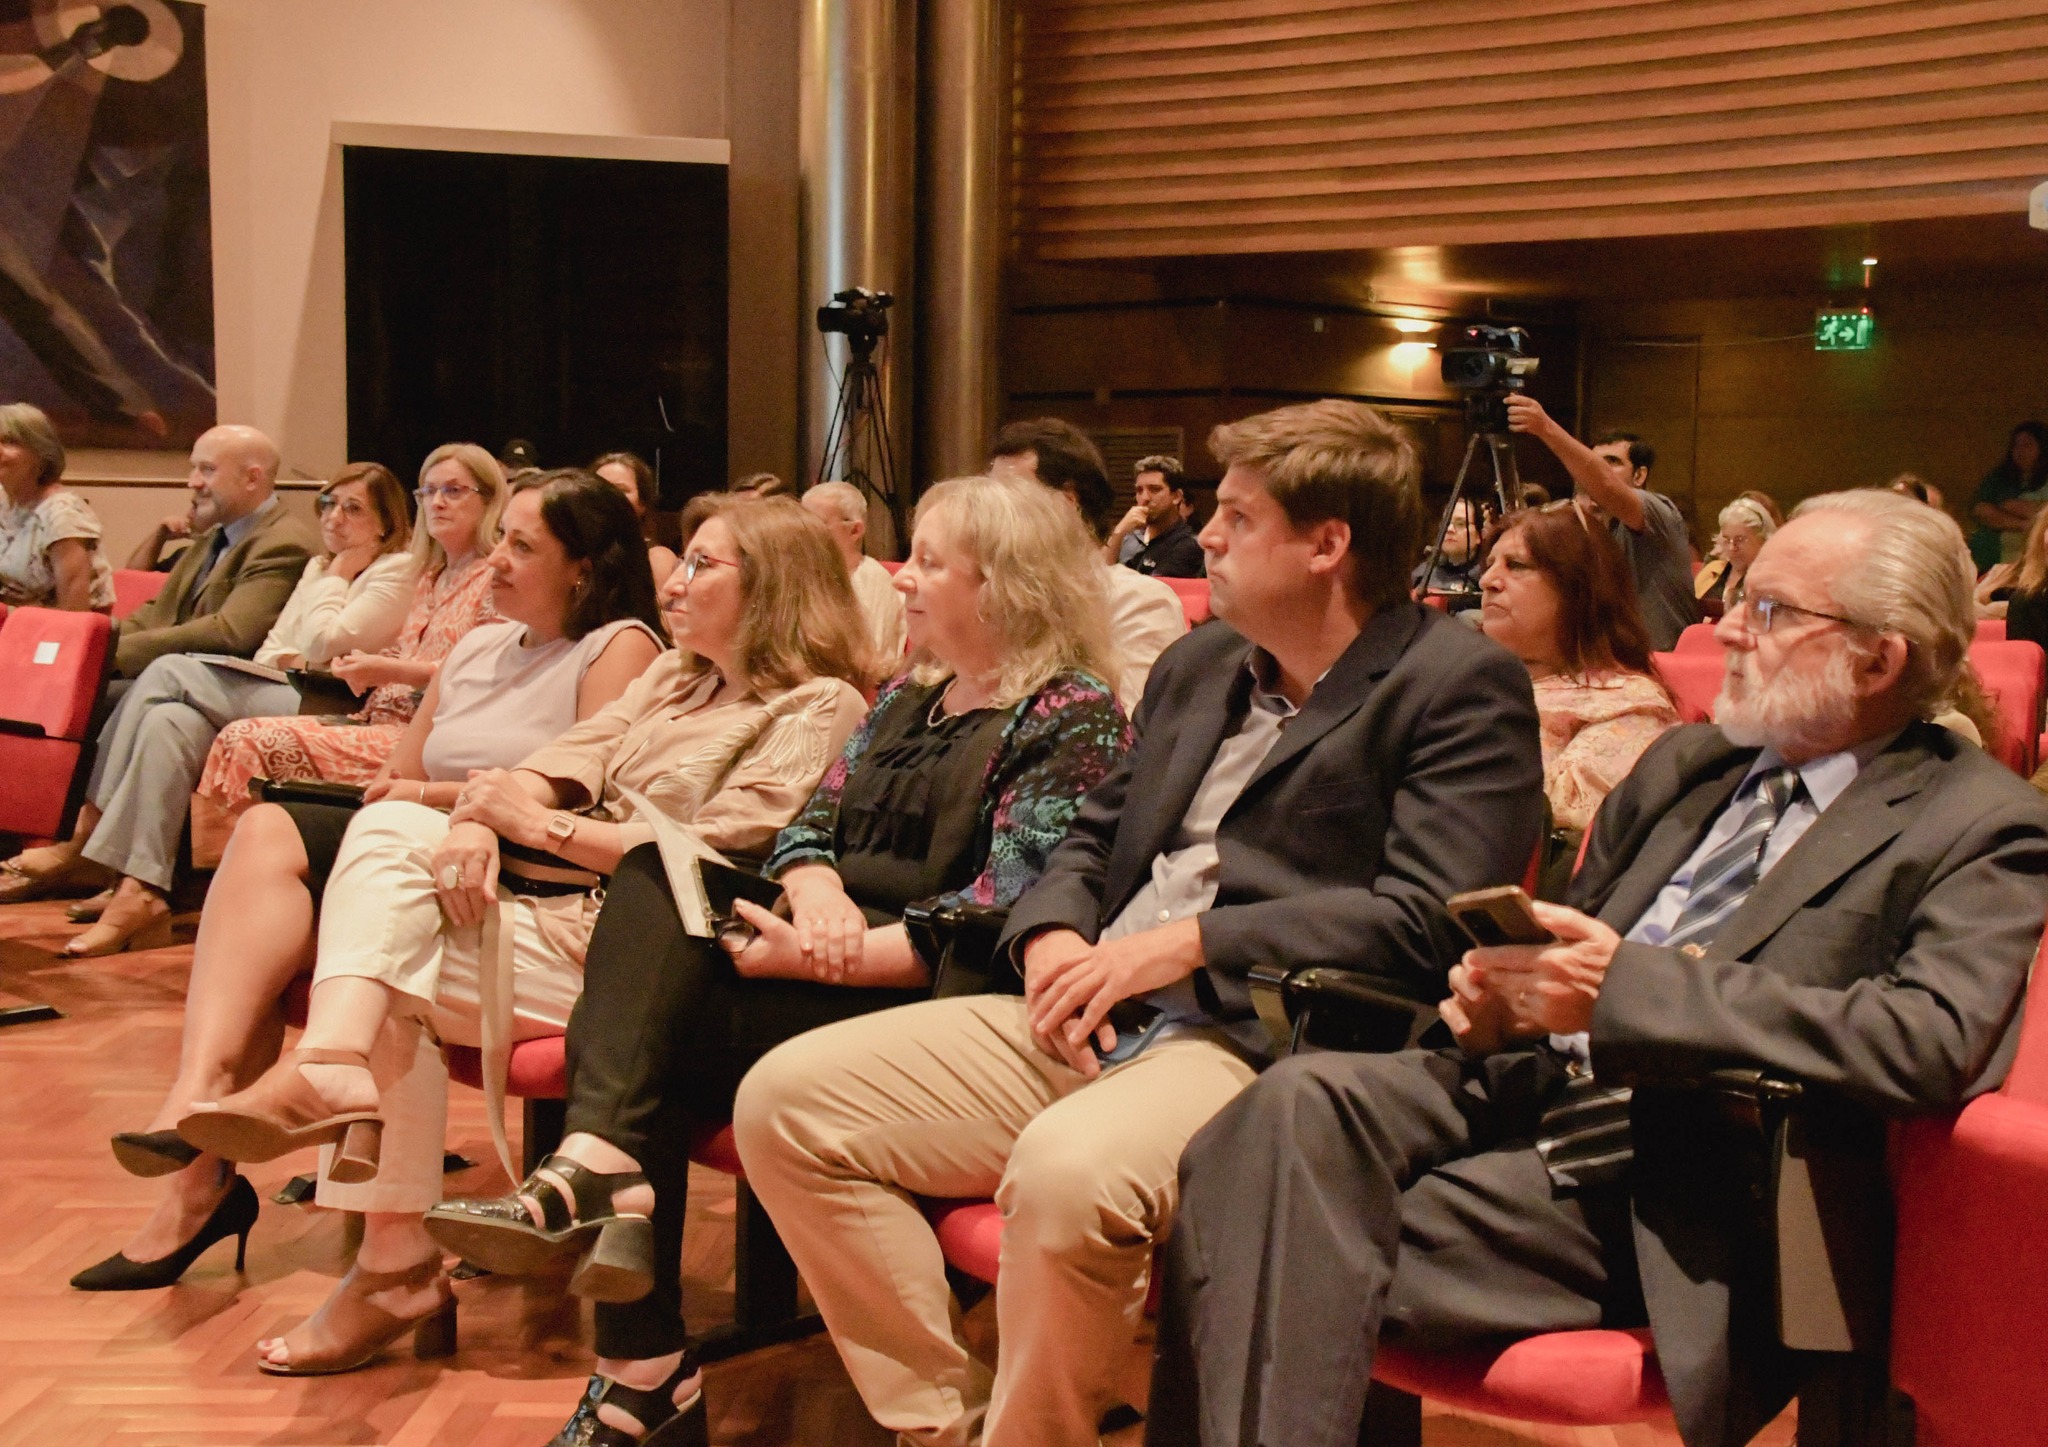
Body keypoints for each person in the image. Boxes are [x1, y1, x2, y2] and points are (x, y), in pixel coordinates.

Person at [1147, 490, 2048, 1447]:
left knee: (1249, 1227)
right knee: (1283, 1110)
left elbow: (1930, 1038)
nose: (1725, 626)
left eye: (1771, 611)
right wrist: (1513, 992)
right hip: (1518, 1094)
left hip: (1675, 1173)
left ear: (1880, 657)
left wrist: (1625, 994)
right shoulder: (1689, 768)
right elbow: (1575, 947)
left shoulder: (1977, 823)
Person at [734, 399, 1546, 1447]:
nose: (1203, 534)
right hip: (1094, 997)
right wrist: (1052, 936)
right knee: (785, 1104)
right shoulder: (1200, 666)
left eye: (1237, 517)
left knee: (1067, 1177)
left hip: (1258, 1036)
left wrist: (1193, 940)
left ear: (1326, 545)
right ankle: (948, 1421)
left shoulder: (1454, 685)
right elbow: (1090, 837)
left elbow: (1425, 921)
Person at [424, 475, 1130, 1447]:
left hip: (932, 998)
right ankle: (625, 1299)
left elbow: (1002, 907)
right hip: (820, 952)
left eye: (928, 561)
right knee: (651, 885)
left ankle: (639, 1358)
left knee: (634, 1050)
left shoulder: (1071, 714)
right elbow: (806, 830)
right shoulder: (907, 700)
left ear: (1006, 583)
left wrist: (832, 957)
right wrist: (817, 892)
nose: (901, 579)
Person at [169, 495, 872, 1380]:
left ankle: (381, 1235)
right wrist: (481, 819)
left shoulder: (820, 703)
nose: (675, 580)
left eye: (701, 564)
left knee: (383, 953)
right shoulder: (678, 676)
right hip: (561, 915)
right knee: (386, 875)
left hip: (654, 959)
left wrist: (528, 827)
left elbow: (711, 857)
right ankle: (358, 1146)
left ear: (773, 589)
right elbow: (567, 757)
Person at [66, 470, 667, 1298]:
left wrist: (426, 800)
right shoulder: (481, 643)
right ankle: (199, 1095)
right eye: (500, 538)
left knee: (338, 903)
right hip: (420, 851)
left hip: (515, 873)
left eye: (522, 545)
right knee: (269, 829)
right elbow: (399, 769)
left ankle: (207, 1182)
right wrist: (414, 798)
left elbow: (575, 789)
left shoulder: (620, 644)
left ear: (585, 569)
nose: (494, 560)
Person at [8, 463, 417, 950]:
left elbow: (324, 642)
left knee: (166, 671)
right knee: (168, 720)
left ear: (387, 524)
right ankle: (142, 891)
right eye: (329, 504)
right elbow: (276, 645)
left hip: (336, 697)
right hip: (287, 679)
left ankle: (88, 830)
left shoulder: (395, 568)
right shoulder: (318, 566)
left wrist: (338, 576)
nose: (334, 519)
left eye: (354, 509)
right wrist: (319, 599)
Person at [190, 443, 507, 819]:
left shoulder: (496, 578)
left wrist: (389, 671)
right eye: (428, 492)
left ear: (489, 500)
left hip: (426, 738)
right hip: (376, 715)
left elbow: (485, 676)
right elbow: (403, 650)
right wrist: (367, 663)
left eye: (453, 491)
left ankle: (248, 860)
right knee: (202, 726)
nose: (437, 502)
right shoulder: (429, 575)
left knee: (244, 739)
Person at [1478, 503, 1678, 839]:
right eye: (1489, 565)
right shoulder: (1459, 681)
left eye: (1516, 565)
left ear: (1578, 589)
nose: (1488, 581)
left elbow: (1561, 822)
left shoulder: (1629, 705)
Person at [989, 417, 1186, 711]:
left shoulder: (1137, 601)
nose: (988, 515)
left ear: (1067, 503)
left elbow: (1132, 733)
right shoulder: (989, 596)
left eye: (1009, 499)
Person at [108, 423, 322, 679]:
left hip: (221, 683)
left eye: (207, 470)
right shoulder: (215, 534)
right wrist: (93, 641)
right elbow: (158, 612)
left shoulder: (284, 544)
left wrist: (114, 654)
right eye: (193, 468)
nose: (192, 482)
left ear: (252, 478)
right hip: (168, 672)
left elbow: (230, 633)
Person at [1506, 396, 1696, 650]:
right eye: (1592, 461)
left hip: (1660, 662)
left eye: (1612, 462)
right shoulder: (1589, 524)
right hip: (1607, 663)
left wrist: (1545, 427)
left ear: (1639, 475)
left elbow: (1605, 484)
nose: (1591, 471)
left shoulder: (1658, 512)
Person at [0, 400, 115, 610]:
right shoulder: (3, 501)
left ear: (41, 454)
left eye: (9, 442)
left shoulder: (63, 515)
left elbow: (74, 614)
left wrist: (21, 612)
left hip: (57, 636)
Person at [803, 479, 908, 663]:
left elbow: (872, 661)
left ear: (855, 530)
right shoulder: (801, 576)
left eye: (816, 523)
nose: (804, 532)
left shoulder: (872, 580)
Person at [1106, 454, 1206, 578]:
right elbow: (1096, 580)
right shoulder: (1127, 538)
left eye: (1154, 489)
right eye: (1139, 491)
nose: (1144, 498)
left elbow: (1151, 592)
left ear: (1176, 496)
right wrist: (1118, 532)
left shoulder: (1189, 544)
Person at [592, 450, 679, 588]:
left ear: (642, 503)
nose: (608, 496)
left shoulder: (657, 560)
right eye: (600, 488)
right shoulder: (577, 555)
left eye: (621, 489)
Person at [1968, 422, 2048, 572]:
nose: (2020, 451)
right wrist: (2024, 525)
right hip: (1991, 560)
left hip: (2033, 564)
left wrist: (2007, 509)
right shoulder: (1999, 477)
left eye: (2027, 445)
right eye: (2016, 445)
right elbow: (1980, 510)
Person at [1692, 494, 1776, 619]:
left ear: (1762, 539)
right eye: (1726, 540)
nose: (1732, 548)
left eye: (1740, 540)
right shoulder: (1711, 571)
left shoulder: (1771, 578)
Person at [1411, 495, 1485, 611]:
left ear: (1479, 535)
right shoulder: (1422, 573)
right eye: (1446, 523)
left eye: (1460, 524)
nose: (1450, 529)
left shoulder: (1485, 577)